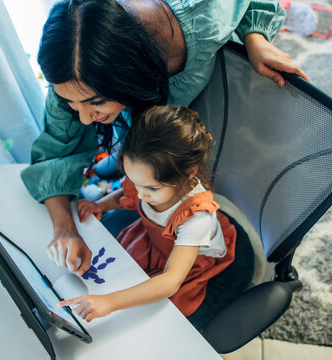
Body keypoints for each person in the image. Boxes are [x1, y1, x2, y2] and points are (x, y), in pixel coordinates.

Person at [21, 0, 309, 276]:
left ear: (128, 75)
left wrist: (255, 37)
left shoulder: (201, 15)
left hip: (207, 118)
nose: (83, 118)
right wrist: (65, 230)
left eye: (95, 103)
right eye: (71, 103)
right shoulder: (73, 69)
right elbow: (56, 149)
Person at [57, 105, 253, 328]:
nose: (140, 194)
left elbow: (170, 281)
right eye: (135, 181)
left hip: (191, 260)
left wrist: (110, 302)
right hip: (157, 240)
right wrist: (100, 205)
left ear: (188, 173)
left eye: (151, 189)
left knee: (159, 318)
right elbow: (127, 191)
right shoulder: (147, 178)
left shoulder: (196, 218)